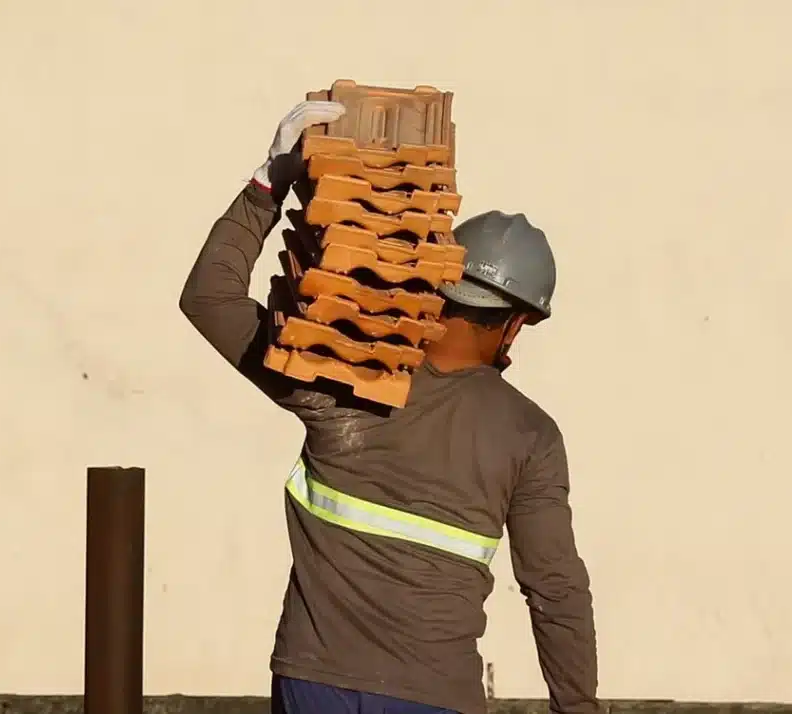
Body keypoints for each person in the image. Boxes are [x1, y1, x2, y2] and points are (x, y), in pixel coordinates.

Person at [180, 100, 597, 714]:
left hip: (311, 683)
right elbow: (555, 589)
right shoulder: (529, 435)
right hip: (434, 697)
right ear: (515, 324)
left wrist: (269, 184)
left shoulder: (340, 373)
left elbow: (208, 297)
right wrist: (578, 708)